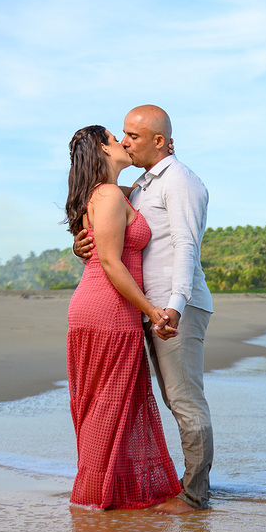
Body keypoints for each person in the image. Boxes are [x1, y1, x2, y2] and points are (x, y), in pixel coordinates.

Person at [74, 105, 214, 515]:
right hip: (146, 309)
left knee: (184, 400)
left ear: (159, 141)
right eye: (121, 135)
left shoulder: (180, 180)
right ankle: (155, 484)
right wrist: (81, 245)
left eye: (132, 136)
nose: (125, 142)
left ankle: (194, 495)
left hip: (174, 308)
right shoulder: (140, 186)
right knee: (168, 400)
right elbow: (108, 231)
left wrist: (174, 306)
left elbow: (186, 245)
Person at [64, 125, 182, 510]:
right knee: (108, 405)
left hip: (98, 306)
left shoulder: (113, 193)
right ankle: (95, 497)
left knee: (105, 404)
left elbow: (152, 191)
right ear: (102, 149)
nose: (124, 143)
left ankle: (101, 492)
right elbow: (112, 263)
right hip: (109, 308)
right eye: (116, 139)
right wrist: (152, 310)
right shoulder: (109, 194)